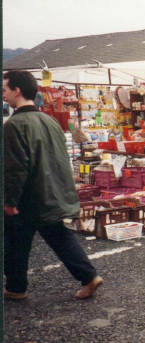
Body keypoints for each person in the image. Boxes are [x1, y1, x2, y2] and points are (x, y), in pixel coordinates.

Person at [3, 70, 104, 300]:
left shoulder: (14, 125)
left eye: (5, 90)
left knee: (15, 243)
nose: (4, 95)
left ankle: (16, 288)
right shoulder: (49, 120)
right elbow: (60, 159)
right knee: (59, 236)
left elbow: (15, 168)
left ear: (17, 91)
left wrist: (9, 201)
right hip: (50, 194)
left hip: (27, 197)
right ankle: (89, 276)